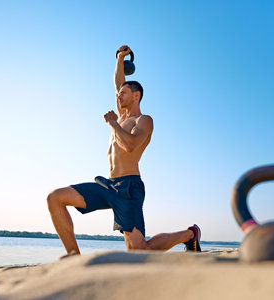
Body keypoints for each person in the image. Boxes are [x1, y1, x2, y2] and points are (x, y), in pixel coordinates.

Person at [47, 45, 201, 256]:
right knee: (55, 197)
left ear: (136, 96)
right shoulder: (122, 117)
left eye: (123, 94)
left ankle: (190, 234)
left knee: (138, 250)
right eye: (118, 94)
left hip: (129, 188)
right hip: (108, 185)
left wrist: (113, 124)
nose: (118, 96)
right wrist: (120, 59)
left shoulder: (144, 120)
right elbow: (119, 82)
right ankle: (74, 256)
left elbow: (130, 145)